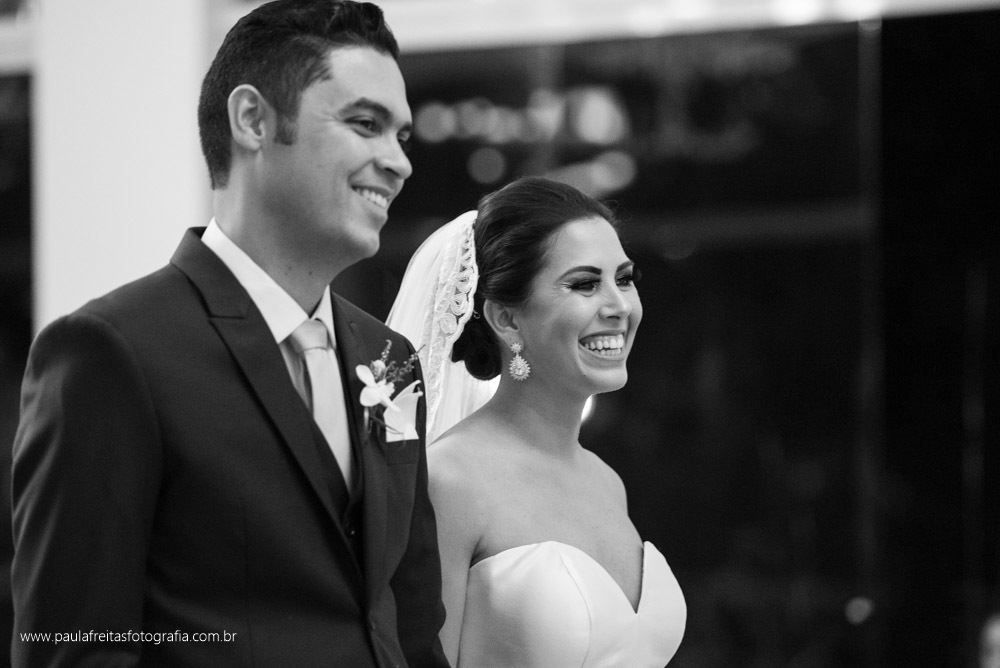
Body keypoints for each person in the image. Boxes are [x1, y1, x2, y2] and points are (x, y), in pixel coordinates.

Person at [11, 2, 448, 666]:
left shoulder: (392, 361)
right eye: (366, 124)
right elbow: (75, 651)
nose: (398, 163)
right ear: (253, 121)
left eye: (403, 137)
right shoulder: (112, 351)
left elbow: (410, 626)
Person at [387, 176, 686, 667]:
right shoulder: (448, 481)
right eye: (585, 284)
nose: (619, 306)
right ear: (506, 320)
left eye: (625, 279)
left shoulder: (607, 482)